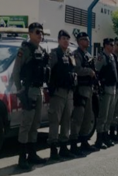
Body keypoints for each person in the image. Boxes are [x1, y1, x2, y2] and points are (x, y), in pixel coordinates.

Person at [10, 22, 49, 170]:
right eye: (37, 32)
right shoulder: (24, 50)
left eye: (41, 32)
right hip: (28, 90)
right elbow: (16, 72)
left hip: (38, 90)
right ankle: (22, 158)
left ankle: (32, 154)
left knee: (35, 124)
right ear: (30, 33)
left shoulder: (41, 49)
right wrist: (20, 91)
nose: (40, 35)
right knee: (26, 124)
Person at [47, 30, 78, 160]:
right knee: (55, 121)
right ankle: (53, 150)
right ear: (59, 40)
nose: (66, 41)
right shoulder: (54, 54)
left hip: (69, 92)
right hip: (58, 92)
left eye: (67, 39)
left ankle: (64, 147)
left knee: (66, 121)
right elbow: (48, 71)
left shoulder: (70, 54)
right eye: (63, 38)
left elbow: (73, 70)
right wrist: (49, 88)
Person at [70, 32, 97, 153]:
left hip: (89, 89)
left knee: (88, 117)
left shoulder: (88, 55)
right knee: (78, 117)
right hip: (80, 89)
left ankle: (84, 140)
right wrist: (89, 71)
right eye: (85, 39)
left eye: (88, 39)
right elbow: (77, 69)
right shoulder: (76, 54)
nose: (88, 41)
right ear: (80, 41)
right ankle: (74, 143)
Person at [95, 38, 118, 149]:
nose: (112, 46)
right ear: (105, 45)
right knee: (103, 115)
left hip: (113, 88)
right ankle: (99, 139)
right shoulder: (102, 57)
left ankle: (106, 136)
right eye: (110, 44)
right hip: (105, 89)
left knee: (109, 115)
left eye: (113, 44)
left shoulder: (112, 57)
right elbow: (97, 72)